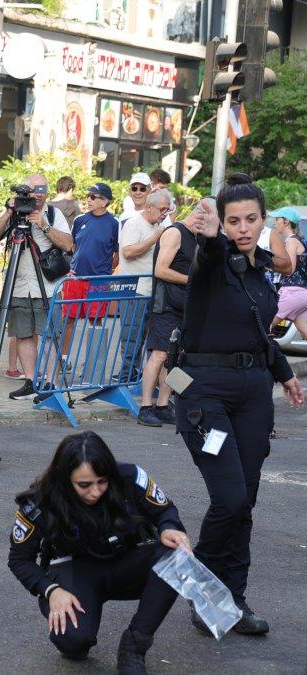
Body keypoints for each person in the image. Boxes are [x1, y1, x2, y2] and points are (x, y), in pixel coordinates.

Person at [173, 174, 304, 636]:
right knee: (228, 499)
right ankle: (201, 590)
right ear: (223, 224)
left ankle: (234, 598)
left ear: (264, 220)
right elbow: (207, 256)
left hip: (253, 394)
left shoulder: (261, 270)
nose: (242, 228)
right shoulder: (211, 262)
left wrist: (284, 373)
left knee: (244, 502)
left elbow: (259, 332)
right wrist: (210, 238)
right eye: (233, 221)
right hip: (204, 393)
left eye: (251, 219)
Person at [8, 431, 189, 674]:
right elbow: (19, 559)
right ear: (64, 478)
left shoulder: (130, 477)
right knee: (73, 642)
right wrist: (51, 591)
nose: (95, 492)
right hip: (76, 570)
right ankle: (77, 628)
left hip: (126, 560)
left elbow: (164, 510)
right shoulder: (39, 502)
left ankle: (134, 647)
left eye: (102, 481)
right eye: (84, 485)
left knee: (176, 557)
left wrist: (169, 527)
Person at [0, 173, 74, 400]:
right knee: (23, 334)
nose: (36, 195)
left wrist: (44, 226)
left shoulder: (53, 214)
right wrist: (9, 212)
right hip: (18, 284)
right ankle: (30, 381)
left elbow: (68, 245)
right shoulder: (14, 211)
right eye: (32, 190)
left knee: (50, 334)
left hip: (47, 286)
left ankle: (50, 384)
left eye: (41, 190)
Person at [139, 198, 211, 427]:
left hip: (185, 306)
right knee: (159, 355)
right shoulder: (174, 232)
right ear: (200, 215)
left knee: (176, 357)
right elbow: (160, 270)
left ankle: (163, 405)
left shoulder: (197, 237)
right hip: (166, 306)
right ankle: (145, 407)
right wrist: (192, 280)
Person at [116, 189, 172, 385]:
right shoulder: (134, 223)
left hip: (152, 290)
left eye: (168, 209)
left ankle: (145, 378)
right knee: (132, 337)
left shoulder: (158, 225)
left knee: (150, 338)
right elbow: (128, 252)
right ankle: (127, 377)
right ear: (149, 207)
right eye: (162, 209)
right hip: (135, 290)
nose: (165, 213)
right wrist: (154, 238)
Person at [65, 183, 120, 329]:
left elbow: (118, 253)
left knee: (95, 321)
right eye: (88, 196)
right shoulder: (79, 220)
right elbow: (72, 246)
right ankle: (65, 348)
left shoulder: (115, 223)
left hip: (98, 281)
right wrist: (70, 267)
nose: (88, 199)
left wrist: (106, 271)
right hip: (75, 278)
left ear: (104, 201)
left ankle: (95, 346)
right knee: (68, 319)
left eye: (93, 197)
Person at [269, 207, 307, 339]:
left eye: (277, 219)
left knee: (264, 324)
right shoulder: (298, 240)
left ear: (286, 222)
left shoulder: (291, 241)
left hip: (292, 292)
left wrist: (268, 264)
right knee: (305, 331)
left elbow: (289, 269)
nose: (275, 223)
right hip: (302, 293)